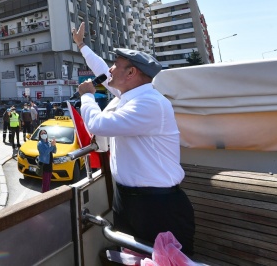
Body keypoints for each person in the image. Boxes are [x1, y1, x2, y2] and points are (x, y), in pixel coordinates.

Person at [73, 22, 195, 255]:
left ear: (131, 73)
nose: (109, 70)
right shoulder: (131, 95)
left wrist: (87, 97)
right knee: (131, 257)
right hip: (129, 201)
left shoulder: (149, 103)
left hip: (157, 206)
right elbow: (101, 69)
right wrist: (81, 45)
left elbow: (100, 124)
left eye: (115, 66)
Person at [37, 129, 57, 193]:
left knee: (48, 181)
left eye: (45, 133)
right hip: (45, 164)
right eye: (42, 133)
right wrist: (51, 146)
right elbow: (45, 153)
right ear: (40, 135)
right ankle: (44, 196)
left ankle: (47, 194)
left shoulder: (48, 142)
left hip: (50, 164)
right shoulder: (40, 143)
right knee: (45, 182)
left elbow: (54, 151)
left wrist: (54, 145)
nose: (44, 134)